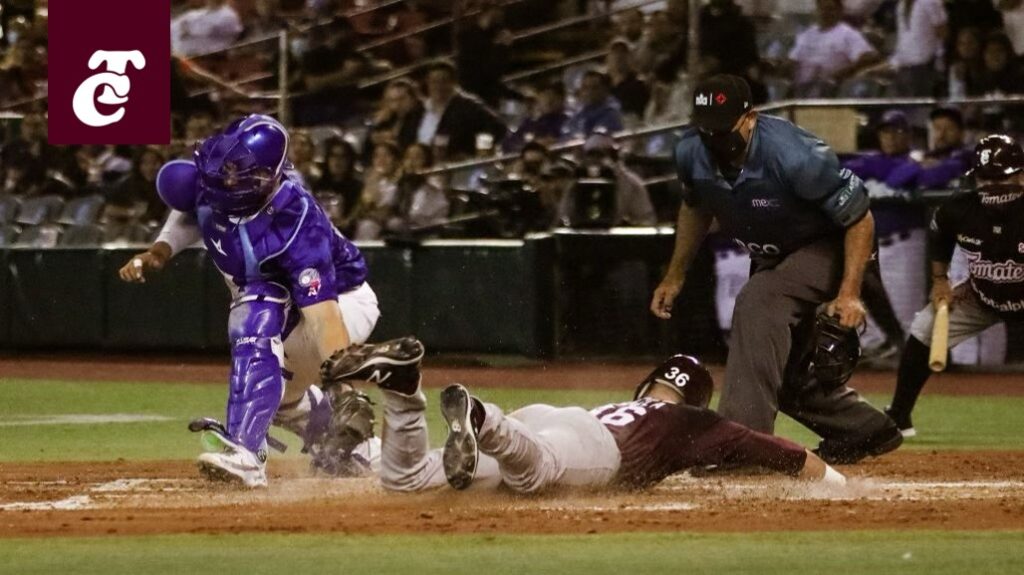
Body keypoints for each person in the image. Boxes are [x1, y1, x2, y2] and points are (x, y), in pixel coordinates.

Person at [117, 115, 381, 487]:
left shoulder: (296, 223)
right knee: (279, 397)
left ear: (264, 178)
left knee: (258, 308)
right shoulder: (226, 179)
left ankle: (246, 452)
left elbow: (324, 317)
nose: (223, 176)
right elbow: (191, 207)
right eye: (226, 165)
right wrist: (160, 250)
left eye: (235, 171)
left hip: (342, 304)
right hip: (290, 309)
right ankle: (361, 454)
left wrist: (344, 388)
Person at [651, 75, 902, 464]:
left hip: (829, 245)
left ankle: (741, 449)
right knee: (774, 365)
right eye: (705, 128)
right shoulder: (690, 152)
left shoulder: (794, 154)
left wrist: (849, 293)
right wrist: (675, 274)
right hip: (773, 255)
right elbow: (695, 207)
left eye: (722, 127)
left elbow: (859, 218)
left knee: (758, 300)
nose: (713, 137)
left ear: (750, 117)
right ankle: (864, 428)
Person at [327, 337, 847, 493]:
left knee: (408, 482)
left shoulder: (620, 404)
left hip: (553, 417)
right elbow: (778, 450)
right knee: (539, 474)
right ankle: (485, 420)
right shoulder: (695, 423)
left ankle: (403, 390)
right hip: (590, 446)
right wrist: (838, 483)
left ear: (646, 386)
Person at [887, 135, 1024, 438]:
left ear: (1021, 176)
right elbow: (940, 235)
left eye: (1000, 178)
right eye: (985, 179)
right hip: (981, 296)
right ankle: (898, 417)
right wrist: (940, 280)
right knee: (925, 327)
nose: (992, 186)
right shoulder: (959, 208)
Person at [785, 0, 882, 97]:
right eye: (821, 9)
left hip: (831, 91)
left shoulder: (847, 33)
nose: (825, 12)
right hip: (802, 90)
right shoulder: (806, 35)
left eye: (830, 9)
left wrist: (842, 73)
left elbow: (869, 57)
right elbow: (792, 61)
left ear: (840, 11)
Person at [416, 61, 509, 162]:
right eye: (434, 81)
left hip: (459, 167)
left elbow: (497, 128)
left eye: (443, 81)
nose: (438, 86)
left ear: (453, 82)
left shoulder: (468, 106)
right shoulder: (420, 110)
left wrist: (479, 153)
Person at [559, 133, 656, 227]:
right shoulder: (576, 181)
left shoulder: (631, 183)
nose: (595, 160)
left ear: (613, 156)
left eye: (600, 155)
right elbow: (564, 213)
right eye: (591, 155)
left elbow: (646, 219)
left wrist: (627, 225)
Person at [886, 107, 972, 191]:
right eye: (937, 128)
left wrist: (916, 172)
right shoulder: (925, 156)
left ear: (962, 133)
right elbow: (892, 180)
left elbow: (935, 177)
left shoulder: (967, 157)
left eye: (949, 129)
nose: (941, 135)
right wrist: (918, 165)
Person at [562, 69, 625, 140]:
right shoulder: (578, 113)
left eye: (594, 88)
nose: (589, 92)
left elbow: (598, 136)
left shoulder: (611, 112)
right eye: (585, 88)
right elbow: (566, 133)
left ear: (605, 90)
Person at [170, 0, 244, 57]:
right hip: (178, 45)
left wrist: (189, 30)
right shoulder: (200, 12)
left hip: (203, 52)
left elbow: (213, 30)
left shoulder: (228, 15)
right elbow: (183, 20)